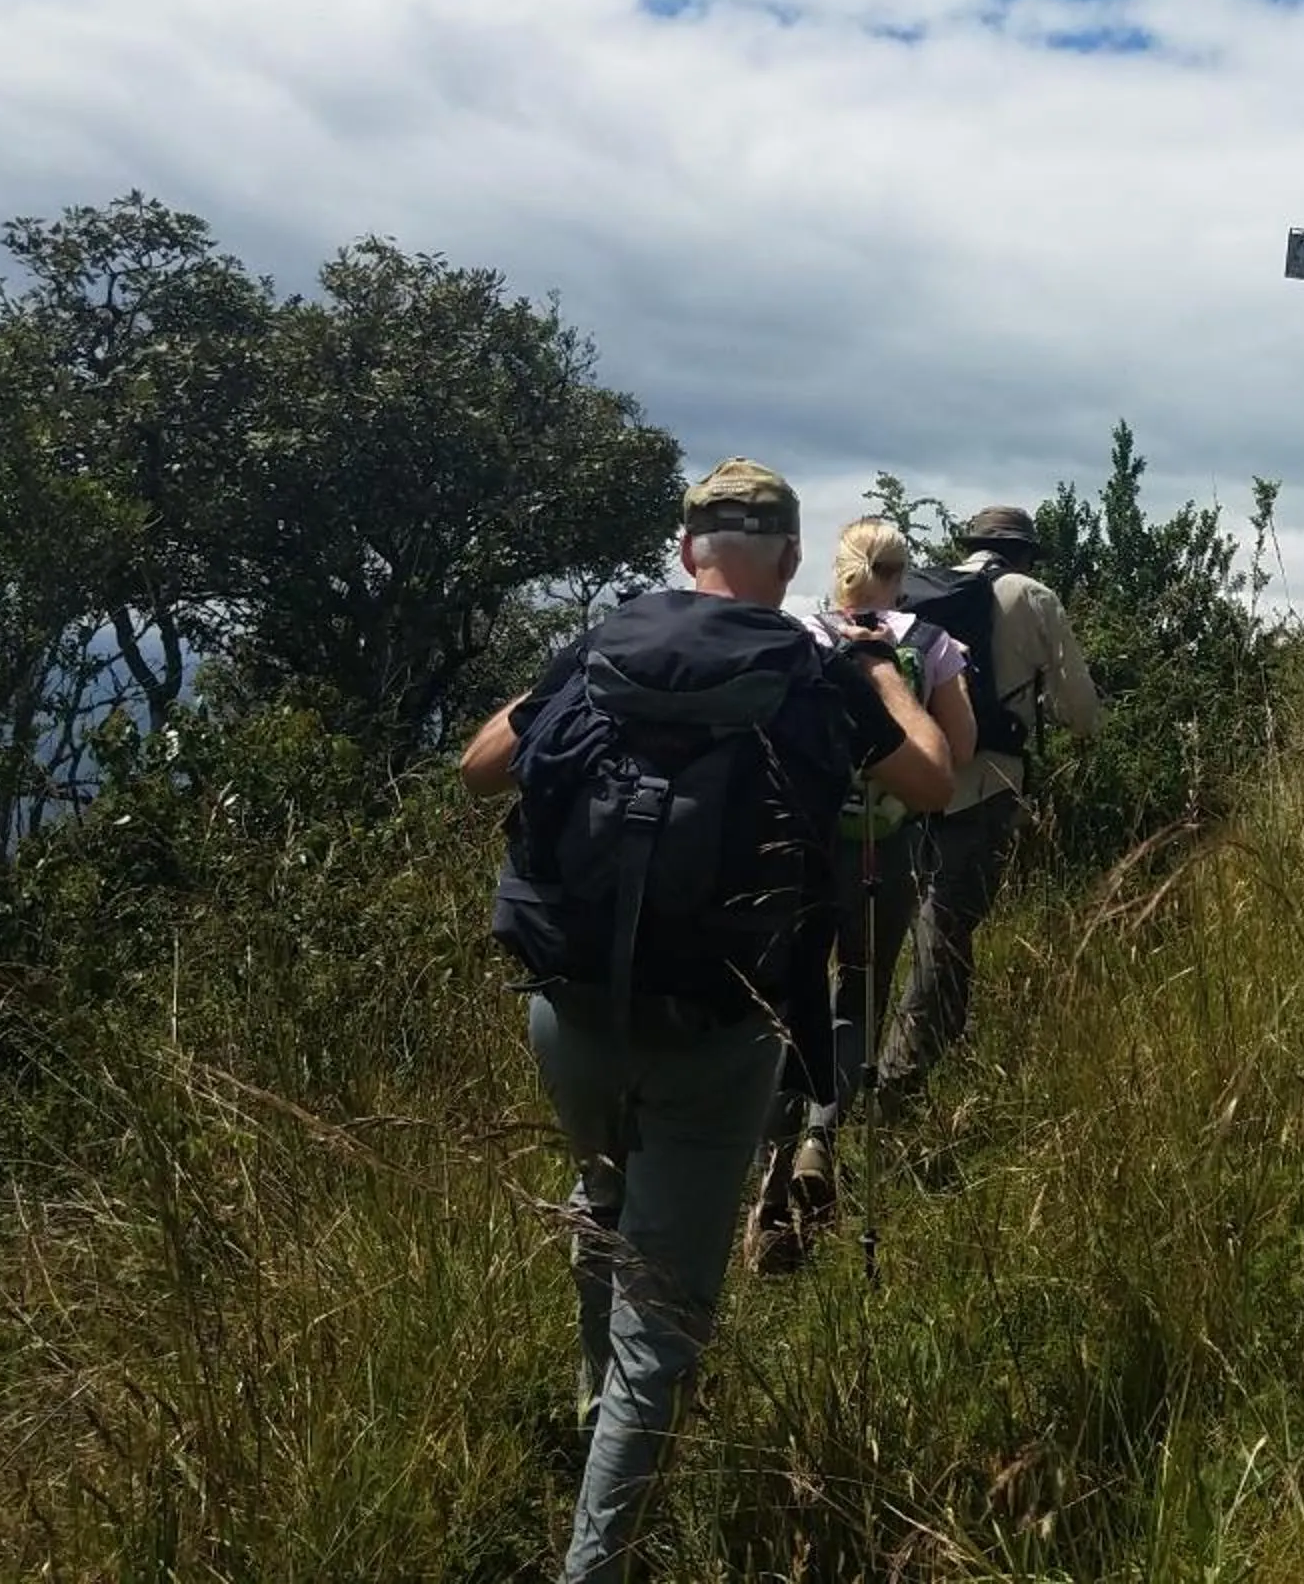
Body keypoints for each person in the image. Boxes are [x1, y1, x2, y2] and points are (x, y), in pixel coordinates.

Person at [459, 460, 952, 1584]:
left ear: (687, 554)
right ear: (785, 563)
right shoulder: (812, 668)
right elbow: (931, 780)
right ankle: (600, 1557)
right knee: (667, 1323)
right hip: (720, 1028)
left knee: (604, 1198)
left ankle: (594, 1421)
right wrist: (880, 676)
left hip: (570, 1010)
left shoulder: (603, 646)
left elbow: (479, 768)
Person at [742, 515, 976, 1273]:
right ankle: (820, 1135)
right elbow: (958, 755)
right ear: (902, 574)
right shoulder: (928, 644)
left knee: (789, 998)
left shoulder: (800, 637)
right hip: (891, 840)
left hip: (798, 848)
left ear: (837, 569)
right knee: (862, 995)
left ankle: (770, 1169)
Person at [876, 504, 1100, 1107]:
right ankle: (901, 1075)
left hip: (907, 780)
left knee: (915, 919)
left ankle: (912, 1054)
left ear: (970, 545)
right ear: (1024, 553)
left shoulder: (919, 591)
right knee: (946, 925)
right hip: (987, 782)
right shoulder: (1032, 594)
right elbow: (1079, 709)